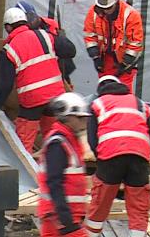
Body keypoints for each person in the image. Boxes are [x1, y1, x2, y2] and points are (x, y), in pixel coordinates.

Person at [0, 7, 67, 153]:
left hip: (32, 102)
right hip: (56, 96)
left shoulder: (9, 49)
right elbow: (70, 50)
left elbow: (4, 86)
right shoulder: (45, 36)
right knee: (56, 141)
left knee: (24, 149)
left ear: (8, 27)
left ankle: (27, 175)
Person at [84, 75, 150, 237]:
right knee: (139, 206)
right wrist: (143, 157)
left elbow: (92, 138)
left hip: (110, 156)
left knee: (100, 203)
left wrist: (101, 161)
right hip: (139, 156)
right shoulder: (140, 104)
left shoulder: (98, 104)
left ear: (100, 90)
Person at [37, 93, 91, 237]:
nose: (84, 121)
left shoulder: (68, 139)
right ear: (67, 117)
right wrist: (65, 216)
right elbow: (54, 181)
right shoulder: (58, 143)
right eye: (80, 117)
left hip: (65, 215)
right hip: (60, 216)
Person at [84, 0, 144, 93]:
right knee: (105, 92)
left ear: (116, 2)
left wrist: (125, 64)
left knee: (124, 94)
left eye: (108, 8)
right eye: (101, 8)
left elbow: (135, 43)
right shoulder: (94, 12)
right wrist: (95, 57)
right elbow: (90, 36)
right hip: (104, 60)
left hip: (124, 61)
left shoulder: (131, 15)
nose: (104, 11)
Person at [15, 0, 78, 87]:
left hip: (59, 65)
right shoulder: (22, 34)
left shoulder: (49, 24)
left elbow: (65, 49)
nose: (32, 21)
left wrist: (61, 38)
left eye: (32, 16)